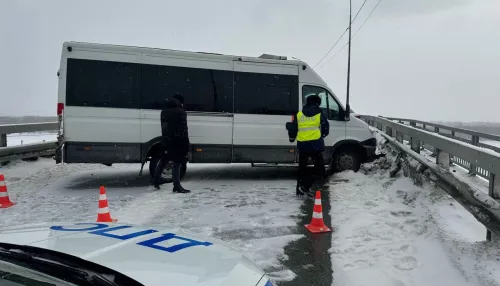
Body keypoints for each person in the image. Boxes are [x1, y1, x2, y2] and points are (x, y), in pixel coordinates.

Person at [287, 94, 329, 197]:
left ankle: (299, 191)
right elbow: (325, 128)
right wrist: (321, 135)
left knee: (302, 168)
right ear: (317, 103)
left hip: (302, 145)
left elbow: (293, 128)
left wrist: (292, 137)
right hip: (315, 145)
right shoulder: (319, 113)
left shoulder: (300, 114)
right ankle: (305, 187)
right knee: (320, 171)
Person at [152, 93, 191, 193]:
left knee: (164, 160)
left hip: (166, 140)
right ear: (180, 102)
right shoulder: (180, 112)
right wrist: (186, 143)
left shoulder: (164, 111)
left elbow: (166, 127)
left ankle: (156, 180)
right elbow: (183, 130)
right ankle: (176, 186)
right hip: (178, 141)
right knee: (177, 163)